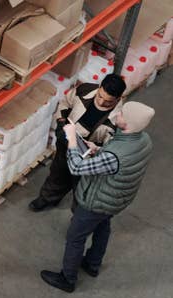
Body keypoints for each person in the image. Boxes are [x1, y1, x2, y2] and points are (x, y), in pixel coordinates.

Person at [40, 101, 154, 293]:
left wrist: (73, 142)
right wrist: (97, 149)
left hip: (96, 201)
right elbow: (119, 157)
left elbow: (76, 167)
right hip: (115, 200)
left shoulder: (115, 155)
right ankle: (92, 264)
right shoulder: (144, 140)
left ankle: (67, 279)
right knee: (103, 227)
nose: (117, 114)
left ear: (127, 123)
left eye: (122, 114)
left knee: (75, 237)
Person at [29, 74, 127, 212]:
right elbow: (65, 103)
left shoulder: (118, 120)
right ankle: (47, 198)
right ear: (99, 87)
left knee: (81, 189)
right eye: (100, 96)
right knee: (57, 173)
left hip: (89, 160)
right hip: (67, 144)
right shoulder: (85, 90)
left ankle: (77, 214)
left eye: (108, 102)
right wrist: (61, 122)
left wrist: (97, 149)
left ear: (118, 99)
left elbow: (113, 147)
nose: (101, 102)